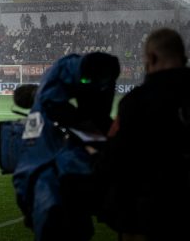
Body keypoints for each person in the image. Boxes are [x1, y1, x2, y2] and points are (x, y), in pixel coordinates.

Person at [12, 52, 120, 241]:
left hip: (51, 208)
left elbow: (24, 173)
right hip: (59, 207)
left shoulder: (41, 123)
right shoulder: (53, 108)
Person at [95, 28, 190, 240]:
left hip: (151, 215)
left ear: (152, 58)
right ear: (184, 58)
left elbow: (114, 159)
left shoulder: (136, 102)